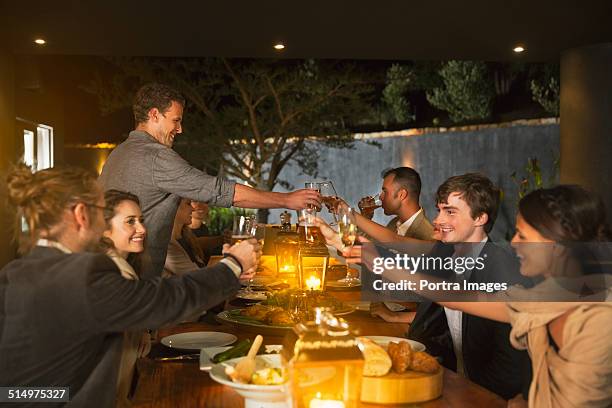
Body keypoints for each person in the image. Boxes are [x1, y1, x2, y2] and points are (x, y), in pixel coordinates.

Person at [0, 164, 259, 407]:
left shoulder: (13, 273)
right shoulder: (85, 274)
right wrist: (233, 265)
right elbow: (166, 300)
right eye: (100, 212)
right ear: (81, 214)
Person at [319, 173, 533, 400]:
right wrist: (339, 242)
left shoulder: (499, 268)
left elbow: (509, 370)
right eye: (440, 210)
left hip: (482, 395)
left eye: (450, 212)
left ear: (480, 218)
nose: (438, 220)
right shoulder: (446, 252)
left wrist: (465, 394)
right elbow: (402, 259)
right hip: (447, 378)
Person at [99, 83, 320, 278]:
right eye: (176, 121)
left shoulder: (118, 154)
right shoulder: (156, 156)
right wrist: (287, 200)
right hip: (138, 280)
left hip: (112, 274)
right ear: (154, 115)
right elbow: (222, 192)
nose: (180, 129)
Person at [437, 185, 612, 408]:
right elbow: (455, 297)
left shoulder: (600, 320)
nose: (513, 243)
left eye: (522, 235)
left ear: (556, 247)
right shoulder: (545, 296)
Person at [100, 189, 150, 407]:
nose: (142, 229)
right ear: (103, 230)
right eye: (131, 222)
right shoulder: (116, 274)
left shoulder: (124, 268)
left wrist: (144, 330)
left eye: (141, 220)